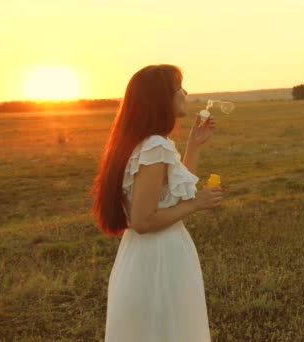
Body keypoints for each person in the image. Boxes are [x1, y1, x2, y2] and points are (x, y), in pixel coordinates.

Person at [92, 64, 223, 341]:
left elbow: (169, 193)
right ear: (162, 97)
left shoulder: (142, 143)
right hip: (160, 259)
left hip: (140, 256)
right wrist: (197, 204)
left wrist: (194, 146)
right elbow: (143, 220)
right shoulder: (155, 146)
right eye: (179, 87)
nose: (185, 92)